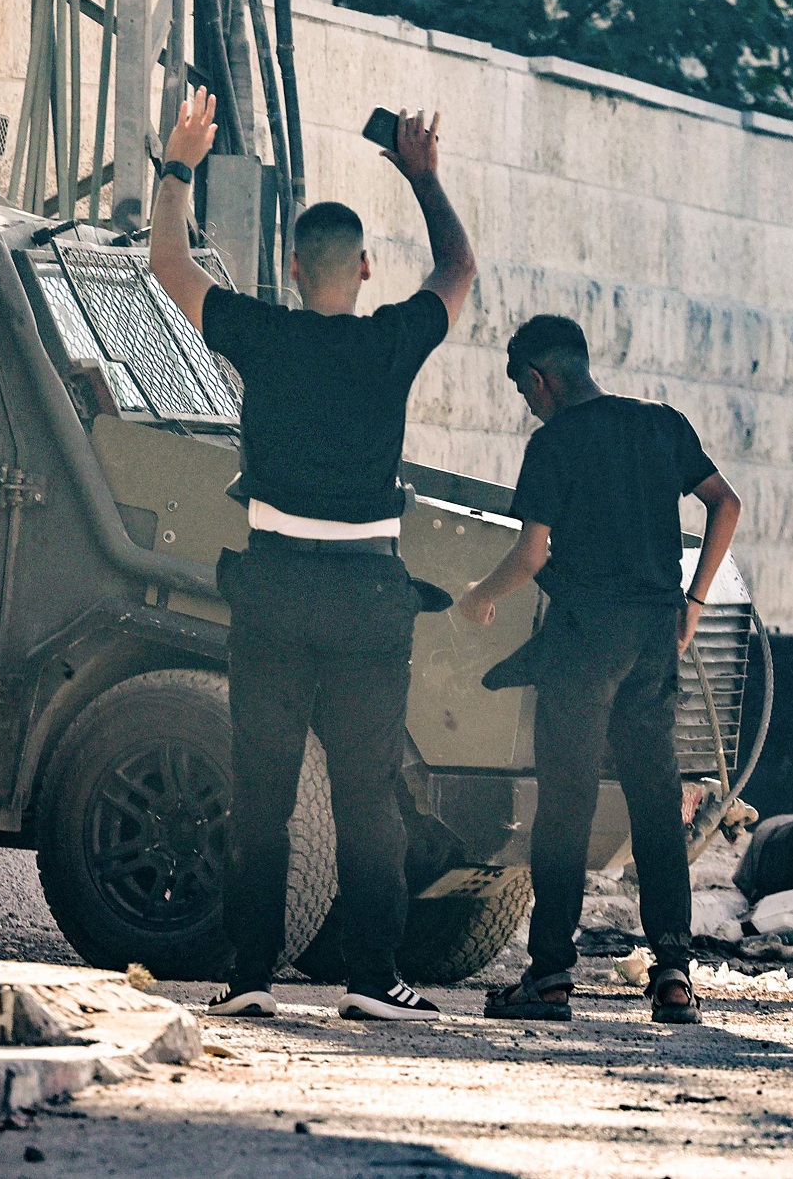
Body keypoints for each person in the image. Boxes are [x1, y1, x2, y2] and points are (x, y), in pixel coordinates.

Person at [150, 88, 476, 1021]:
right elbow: (458, 265)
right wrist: (424, 177)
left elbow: (168, 261)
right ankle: (374, 979)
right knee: (367, 793)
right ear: (366, 269)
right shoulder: (393, 340)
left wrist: (179, 162)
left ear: (292, 269)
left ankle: (250, 975)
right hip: (370, 594)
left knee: (263, 789)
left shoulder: (263, 333)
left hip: (274, 585)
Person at [457, 314, 742, 1026]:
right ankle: (674, 977)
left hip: (584, 641)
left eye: (525, 392)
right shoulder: (661, 425)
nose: (528, 404)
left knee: (567, 804)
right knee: (655, 803)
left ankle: (550, 976)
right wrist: (694, 604)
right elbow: (725, 504)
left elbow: (531, 555)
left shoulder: (552, 442)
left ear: (539, 380)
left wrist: (478, 600)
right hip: (654, 638)